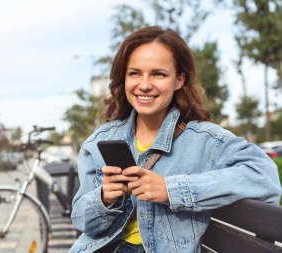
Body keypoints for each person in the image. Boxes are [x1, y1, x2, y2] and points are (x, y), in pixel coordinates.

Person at [70, 26, 282, 253]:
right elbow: (83, 222)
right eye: (135, 73)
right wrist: (104, 199)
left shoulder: (205, 140)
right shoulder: (98, 142)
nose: (144, 84)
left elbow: (264, 177)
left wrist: (170, 189)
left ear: (179, 80)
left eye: (158, 74)